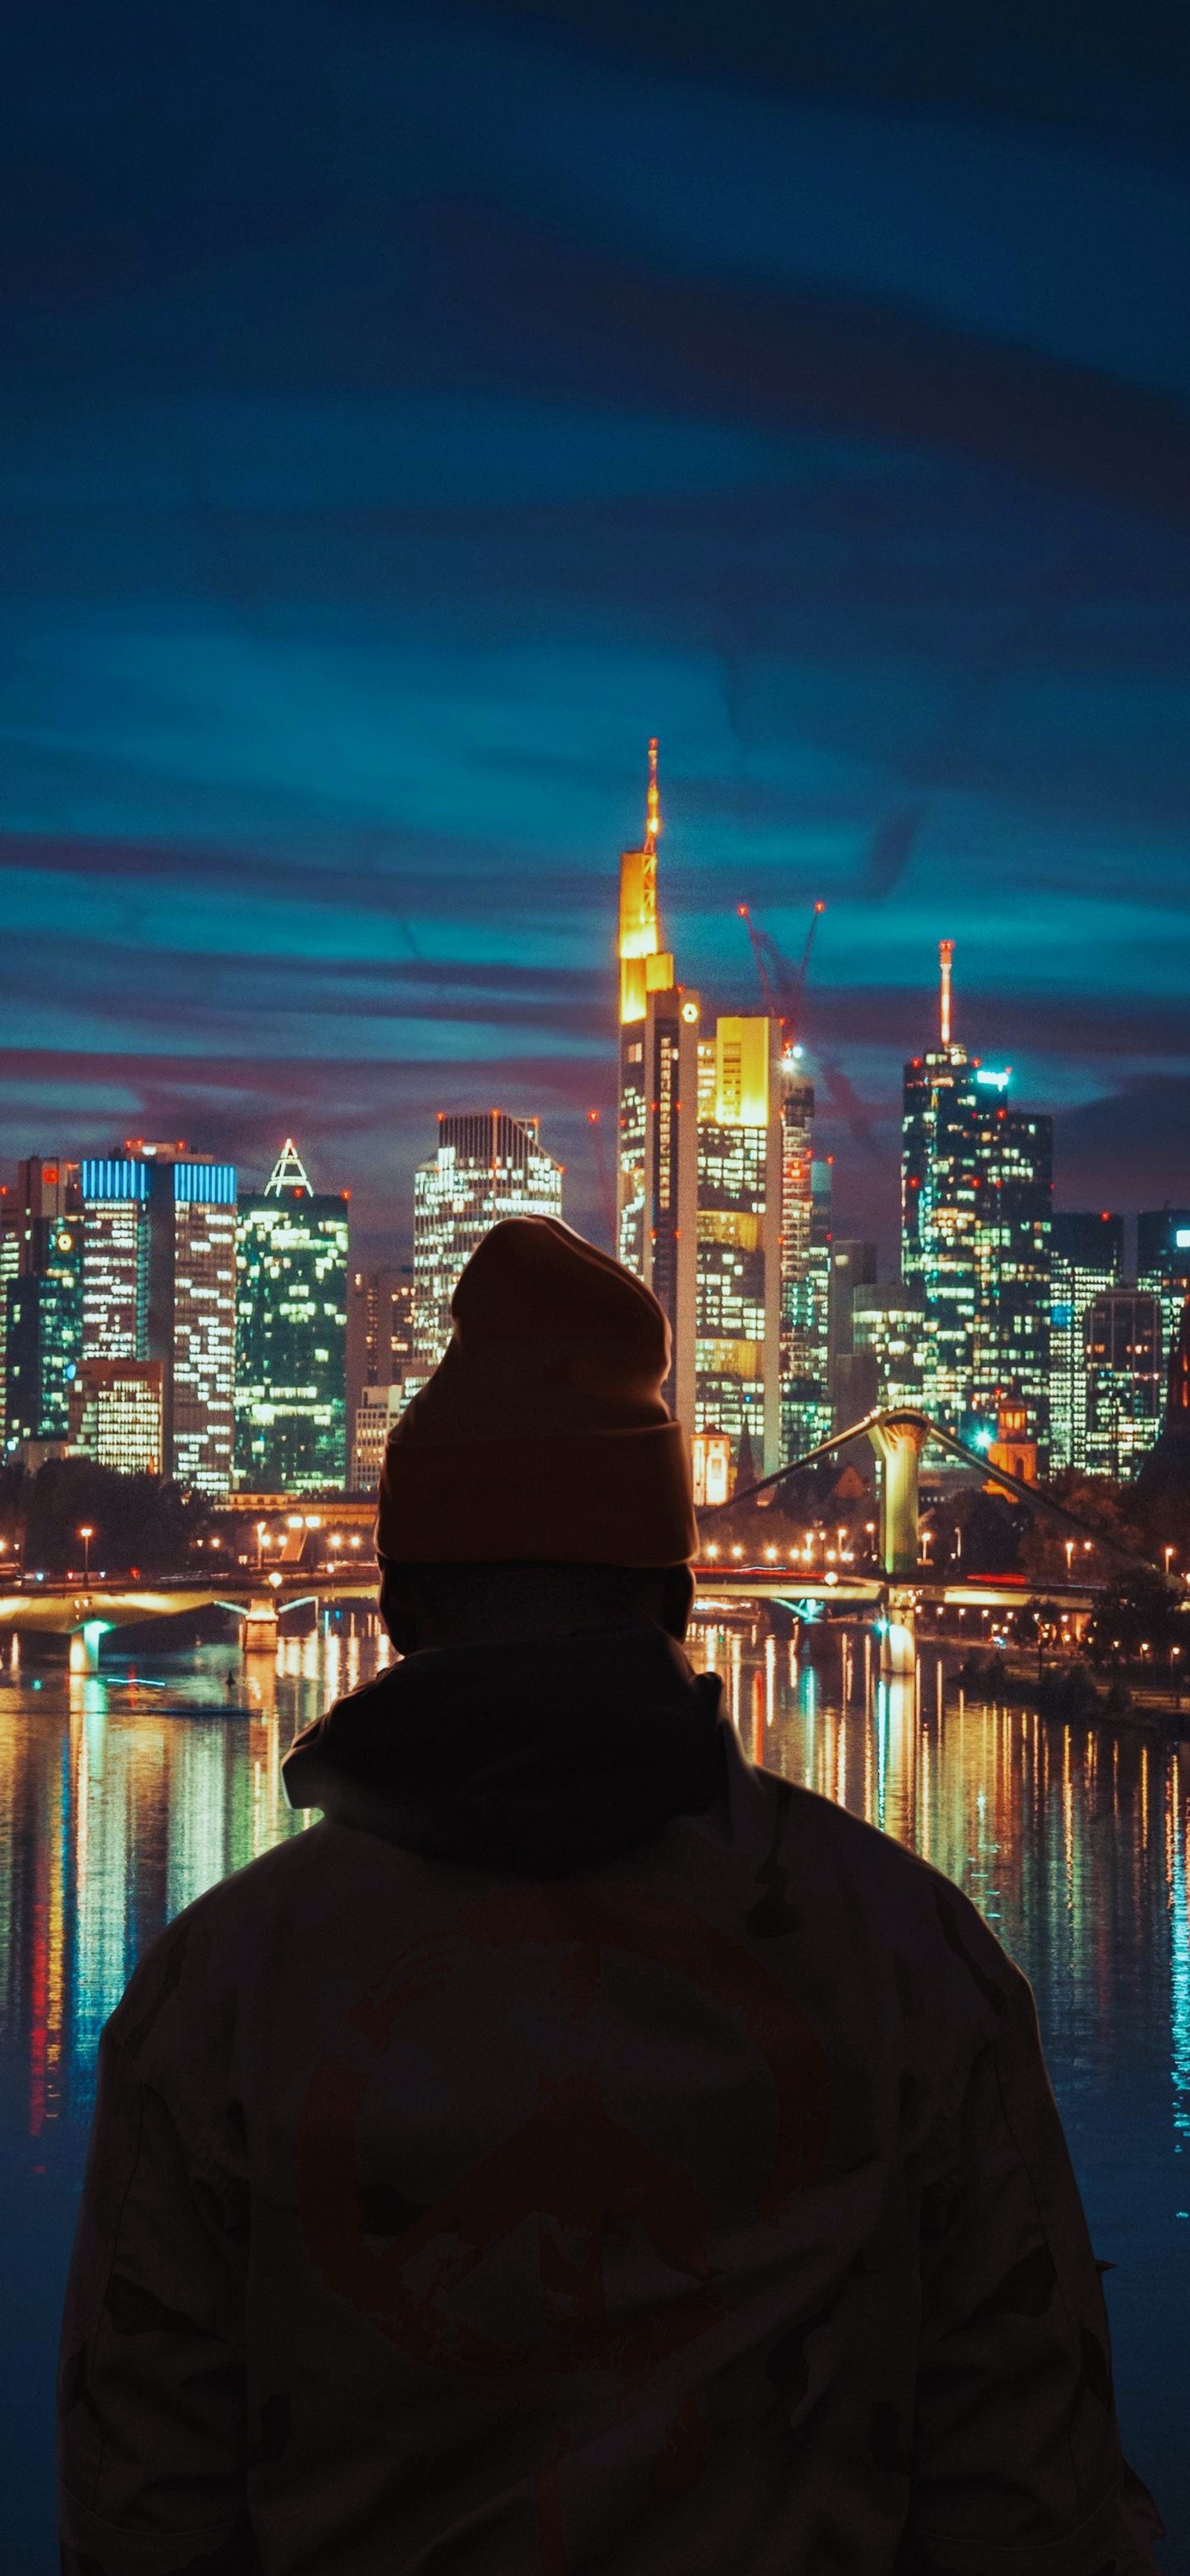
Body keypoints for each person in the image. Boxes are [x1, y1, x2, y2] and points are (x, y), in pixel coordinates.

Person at [59, 1217, 1161, 2576]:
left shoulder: (220, 1988)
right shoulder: (905, 1953)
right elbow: (1034, 2494)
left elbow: (138, 2503)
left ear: (399, 1603)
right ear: (677, 1589)